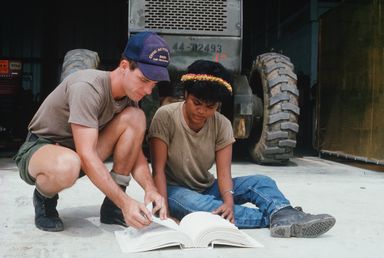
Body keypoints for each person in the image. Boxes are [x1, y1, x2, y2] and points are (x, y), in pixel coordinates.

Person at [148, 60, 336, 238]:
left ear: (218, 105)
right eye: (196, 103)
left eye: (210, 106)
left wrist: (229, 203)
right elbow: (158, 171)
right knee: (196, 204)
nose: (202, 111)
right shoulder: (165, 116)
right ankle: (280, 216)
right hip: (173, 191)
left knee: (261, 182)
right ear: (186, 95)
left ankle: (281, 212)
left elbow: (224, 173)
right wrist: (164, 211)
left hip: (206, 187)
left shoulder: (222, 125)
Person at [14, 31, 169, 232]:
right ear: (124, 67)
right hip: (42, 149)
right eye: (143, 80)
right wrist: (126, 203)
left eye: (153, 84)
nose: (148, 90)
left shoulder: (131, 97)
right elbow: (87, 155)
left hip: (78, 153)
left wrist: (150, 189)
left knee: (136, 118)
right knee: (68, 164)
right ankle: (44, 199)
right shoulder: (87, 87)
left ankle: (112, 208)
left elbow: (136, 153)